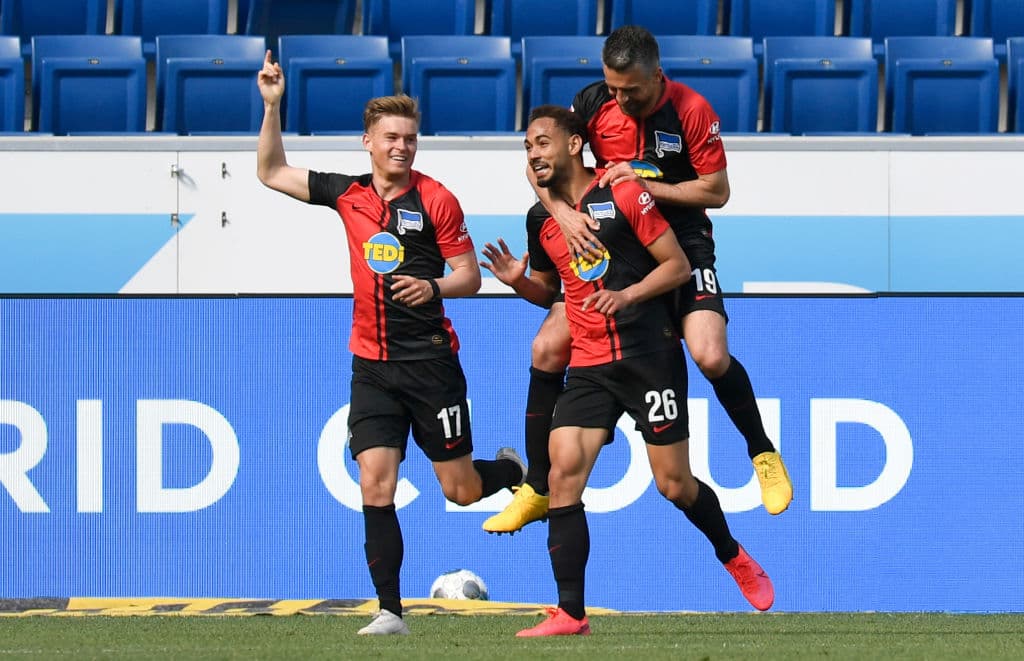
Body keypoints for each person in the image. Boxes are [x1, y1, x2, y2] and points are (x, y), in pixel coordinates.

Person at [482, 25, 792, 535]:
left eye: (632, 90)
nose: (620, 99)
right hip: (618, 243)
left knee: (711, 354)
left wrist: (644, 183)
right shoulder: (593, 101)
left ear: (657, 75)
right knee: (546, 348)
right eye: (613, 88)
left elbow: (716, 192)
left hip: (681, 244)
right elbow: (543, 156)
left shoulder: (692, 111)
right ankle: (537, 486)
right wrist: (559, 212)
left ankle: (762, 453)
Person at [256, 51, 525, 636]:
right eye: (391, 138)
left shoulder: (437, 200)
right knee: (375, 482)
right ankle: (390, 611)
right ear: (368, 143)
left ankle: (509, 472)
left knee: (460, 491)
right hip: (371, 367)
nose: (402, 147)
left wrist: (431, 285)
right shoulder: (347, 193)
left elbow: (468, 277)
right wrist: (273, 107)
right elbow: (271, 172)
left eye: (410, 138)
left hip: (431, 364)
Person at [481, 105, 774, 636]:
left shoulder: (624, 192)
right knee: (563, 472)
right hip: (590, 364)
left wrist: (629, 295)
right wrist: (516, 282)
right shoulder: (540, 219)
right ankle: (571, 612)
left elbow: (677, 266)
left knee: (674, 484)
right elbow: (551, 291)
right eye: (527, 147)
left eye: (542, 143)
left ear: (574, 144)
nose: (533, 155)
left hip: (648, 356)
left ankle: (731, 553)